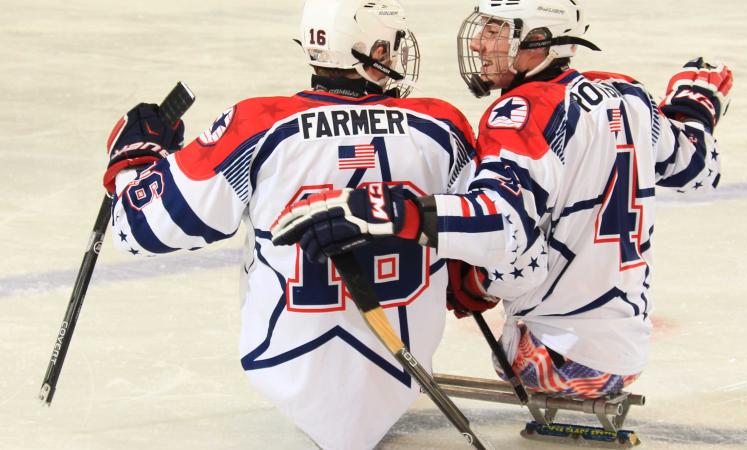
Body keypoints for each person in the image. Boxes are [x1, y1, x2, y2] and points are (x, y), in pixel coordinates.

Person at [271, 0, 733, 399]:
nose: (478, 45)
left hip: (553, 360)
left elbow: (504, 233)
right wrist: (694, 106)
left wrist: (385, 211)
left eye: (495, 31)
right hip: (626, 352)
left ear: (538, 39)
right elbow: (698, 169)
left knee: (449, 257)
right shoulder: (627, 93)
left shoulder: (522, 111)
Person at [102, 1, 478, 448]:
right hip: (402, 369)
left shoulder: (258, 126)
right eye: (389, 45)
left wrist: (134, 162)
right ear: (370, 51)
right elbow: (489, 235)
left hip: (287, 369)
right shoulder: (442, 126)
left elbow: (136, 227)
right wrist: (463, 273)